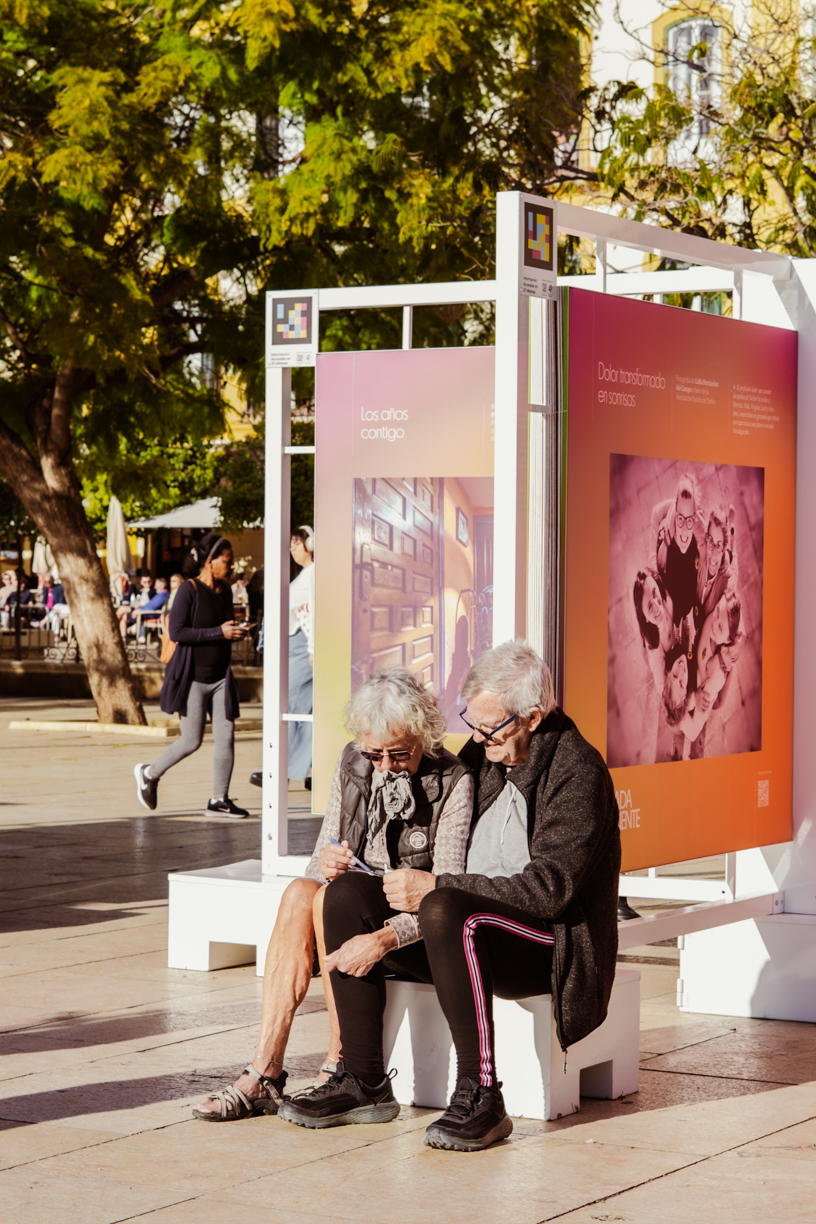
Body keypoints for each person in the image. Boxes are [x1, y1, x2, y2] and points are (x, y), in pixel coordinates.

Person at [278, 640, 621, 1152]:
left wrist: (438, 888)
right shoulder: (487, 754)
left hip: (549, 945)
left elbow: (549, 892)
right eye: (472, 723)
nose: (477, 738)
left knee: (444, 905)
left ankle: (481, 1093)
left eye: (490, 727)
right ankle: (362, 1079)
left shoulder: (578, 771)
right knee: (347, 894)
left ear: (533, 717)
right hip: (467, 928)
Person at [191, 668, 474, 1121]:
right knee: (299, 893)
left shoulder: (453, 780)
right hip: (348, 902)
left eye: (399, 753)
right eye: (375, 753)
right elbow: (319, 860)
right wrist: (325, 863)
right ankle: (264, 1070)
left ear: (423, 733)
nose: (385, 766)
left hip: (408, 927)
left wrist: (388, 933)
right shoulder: (353, 762)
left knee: (329, 899)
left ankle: (338, 1064)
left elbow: (450, 896)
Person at [133, 533, 250, 818]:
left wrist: (235, 632)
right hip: (192, 678)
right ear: (210, 562)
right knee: (191, 740)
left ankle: (219, 799)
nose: (232, 566)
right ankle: (149, 774)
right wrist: (219, 632)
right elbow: (177, 632)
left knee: (226, 736)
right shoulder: (189, 589)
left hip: (221, 677)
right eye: (227, 560)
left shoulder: (225, 591)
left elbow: (223, 629)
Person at [289, 526, 315, 786]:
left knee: (292, 707)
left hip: (303, 647)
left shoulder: (313, 574)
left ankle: (284, 768)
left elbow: (314, 612)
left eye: (297, 542)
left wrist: (313, 649)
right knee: (304, 710)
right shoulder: (306, 574)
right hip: (299, 647)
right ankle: (305, 766)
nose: (292, 548)